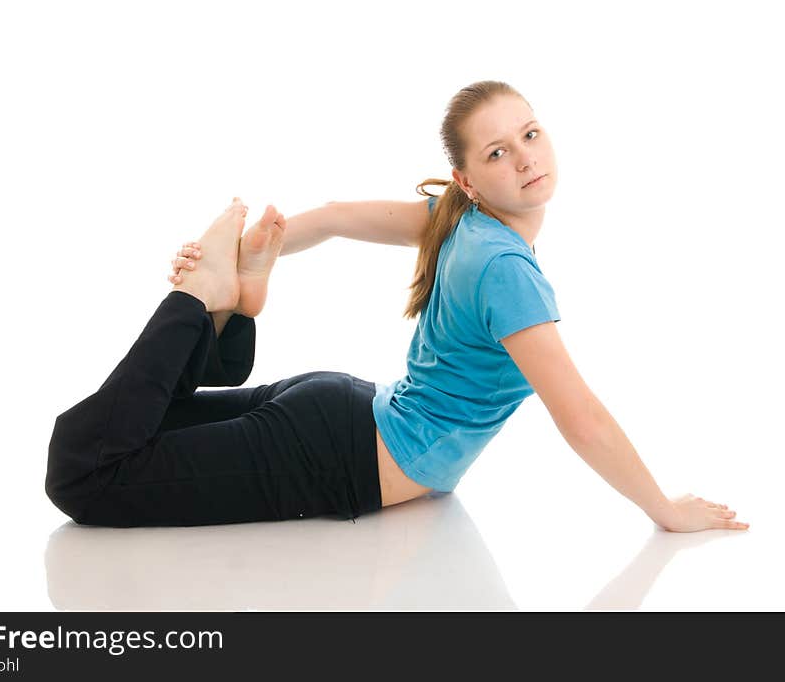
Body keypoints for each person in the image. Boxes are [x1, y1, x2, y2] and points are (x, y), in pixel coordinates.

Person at [47, 80, 748, 533]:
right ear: (468, 179)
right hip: (338, 448)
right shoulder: (505, 266)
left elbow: (340, 217)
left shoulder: (460, 222)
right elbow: (583, 420)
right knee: (85, 469)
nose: (525, 157)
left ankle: (221, 306)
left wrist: (266, 247)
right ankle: (202, 299)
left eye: (530, 134)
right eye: (498, 151)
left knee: (113, 435)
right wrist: (664, 509)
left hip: (336, 417)